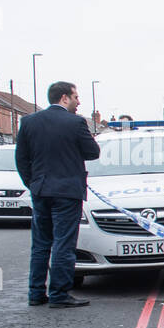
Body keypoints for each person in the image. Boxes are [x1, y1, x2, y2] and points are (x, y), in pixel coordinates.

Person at [15, 81, 101, 308]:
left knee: (41, 244)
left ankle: (35, 293)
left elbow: (21, 159)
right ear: (64, 98)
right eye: (76, 97)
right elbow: (93, 152)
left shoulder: (28, 122)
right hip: (67, 192)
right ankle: (59, 294)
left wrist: (33, 183)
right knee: (63, 243)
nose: (78, 101)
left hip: (41, 190)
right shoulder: (75, 123)